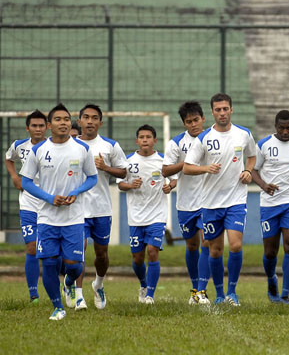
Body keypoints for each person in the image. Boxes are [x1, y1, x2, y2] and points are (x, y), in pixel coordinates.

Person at [20, 103, 98, 320]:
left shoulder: (82, 149)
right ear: (49, 125)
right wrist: (49, 198)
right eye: (58, 119)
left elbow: (92, 178)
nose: (63, 123)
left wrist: (76, 191)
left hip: (74, 218)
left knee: (74, 266)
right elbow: (26, 182)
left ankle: (70, 282)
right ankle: (58, 307)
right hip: (46, 217)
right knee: (49, 263)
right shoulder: (38, 150)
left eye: (66, 119)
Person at [183, 93, 256, 306]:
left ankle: (232, 293)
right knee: (215, 250)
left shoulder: (243, 134)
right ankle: (219, 295)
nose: (222, 113)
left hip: (236, 200)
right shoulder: (204, 138)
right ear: (212, 112)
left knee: (235, 245)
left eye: (225, 109)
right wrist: (206, 168)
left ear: (231, 110)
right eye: (218, 110)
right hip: (211, 203)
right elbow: (187, 167)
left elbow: (252, 156)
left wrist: (248, 171)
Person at [70, 104, 127, 310]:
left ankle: (99, 284)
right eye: (86, 117)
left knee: (101, 254)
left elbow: (123, 173)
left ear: (100, 122)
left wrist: (105, 167)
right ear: (80, 120)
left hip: (102, 208)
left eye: (95, 118)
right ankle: (78, 295)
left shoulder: (110, 145)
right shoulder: (70, 145)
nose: (90, 121)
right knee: (80, 251)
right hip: (77, 209)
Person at [251, 110, 289, 304]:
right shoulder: (264, 145)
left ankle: (285, 294)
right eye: (281, 128)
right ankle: (271, 279)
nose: (285, 131)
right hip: (269, 204)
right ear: (275, 127)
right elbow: (252, 170)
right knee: (270, 251)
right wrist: (264, 185)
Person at [118, 125, 176, 304]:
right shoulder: (128, 161)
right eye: (141, 137)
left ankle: (150, 295)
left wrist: (170, 186)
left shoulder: (163, 161)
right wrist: (130, 185)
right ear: (137, 141)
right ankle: (143, 284)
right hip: (136, 216)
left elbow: (174, 179)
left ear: (155, 141)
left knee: (152, 252)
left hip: (157, 215)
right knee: (137, 258)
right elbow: (120, 184)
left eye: (148, 137)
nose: (145, 140)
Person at [162, 101, 211, 305]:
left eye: (196, 120)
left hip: (208, 201)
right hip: (185, 203)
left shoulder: (212, 139)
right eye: (189, 122)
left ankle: (202, 290)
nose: (193, 124)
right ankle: (194, 289)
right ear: (184, 123)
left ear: (203, 119)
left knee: (206, 243)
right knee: (192, 246)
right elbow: (165, 170)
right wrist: (187, 162)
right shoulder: (176, 143)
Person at [4, 110, 48, 303]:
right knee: (31, 247)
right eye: (34, 126)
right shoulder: (19, 146)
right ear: (27, 127)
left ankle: (66, 284)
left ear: (47, 127)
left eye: (41, 125)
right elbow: (8, 158)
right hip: (28, 204)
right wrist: (15, 177)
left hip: (51, 204)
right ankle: (34, 295)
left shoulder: (53, 147)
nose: (38, 129)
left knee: (51, 251)